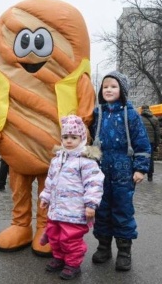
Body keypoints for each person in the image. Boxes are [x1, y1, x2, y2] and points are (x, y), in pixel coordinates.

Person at [90, 71, 151, 271]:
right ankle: (104, 247)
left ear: (122, 91)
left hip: (123, 169)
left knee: (122, 210)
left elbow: (141, 143)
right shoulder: (97, 113)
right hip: (101, 168)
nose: (108, 89)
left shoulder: (130, 114)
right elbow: (91, 139)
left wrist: (140, 169)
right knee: (102, 209)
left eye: (113, 86)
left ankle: (124, 251)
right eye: (105, 86)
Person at [39, 115, 104, 280]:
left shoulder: (86, 161)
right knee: (54, 236)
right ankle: (59, 258)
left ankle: (73, 264)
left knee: (70, 239)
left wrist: (91, 204)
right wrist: (46, 197)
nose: (69, 141)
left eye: (73, 137)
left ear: (82, 139)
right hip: (56, 209)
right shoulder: (57, 160)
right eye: (65, 137)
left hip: (74, 212)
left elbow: (94, 183)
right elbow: (51, 181)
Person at [140, 105, 160, 182]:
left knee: (139, 156)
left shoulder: (138, 118)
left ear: (142, 109)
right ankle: (150, 176)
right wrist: (157, 144)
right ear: (149, 109)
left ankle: (138, 173)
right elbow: (157, 133)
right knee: (150, 158)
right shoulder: (155, 119)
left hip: (141, 140)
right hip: (151, 142)